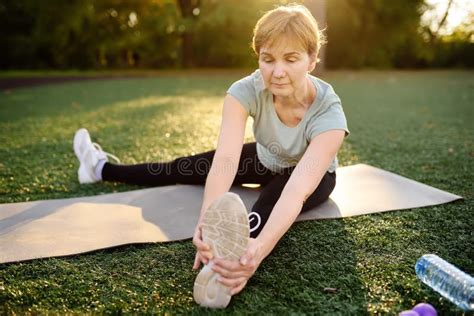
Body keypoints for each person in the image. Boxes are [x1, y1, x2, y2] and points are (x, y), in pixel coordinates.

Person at [73, 3, 349, 307]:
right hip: (265, 157)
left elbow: (296, 192)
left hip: (312, 177)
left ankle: (228, 268)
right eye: (267, 59)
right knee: (181, 168)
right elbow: (226, 160)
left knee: (260, 211)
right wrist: (207, 220)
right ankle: (100, 169)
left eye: (291, 58)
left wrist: (254, 254)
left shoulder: (329, 114)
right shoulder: (245, 90)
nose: (277, 71)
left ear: (312, 60)